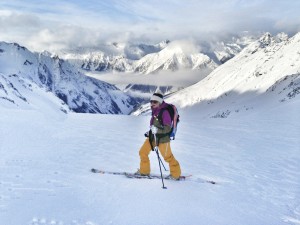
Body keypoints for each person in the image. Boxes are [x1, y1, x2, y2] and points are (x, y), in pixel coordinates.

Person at [135, 90, 181, 180]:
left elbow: (167, 129)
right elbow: (155, 125)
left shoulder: (165, 113)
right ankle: (144, 172)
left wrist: (156, 130)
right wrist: (150, 132)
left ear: (159, 102)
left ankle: (175, 175)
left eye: (155, 102)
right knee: (143, 152)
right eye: (151, 101)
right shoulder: (155, 111)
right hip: (153, 137)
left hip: (163, 140)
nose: (152, 103)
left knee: (168, 157)